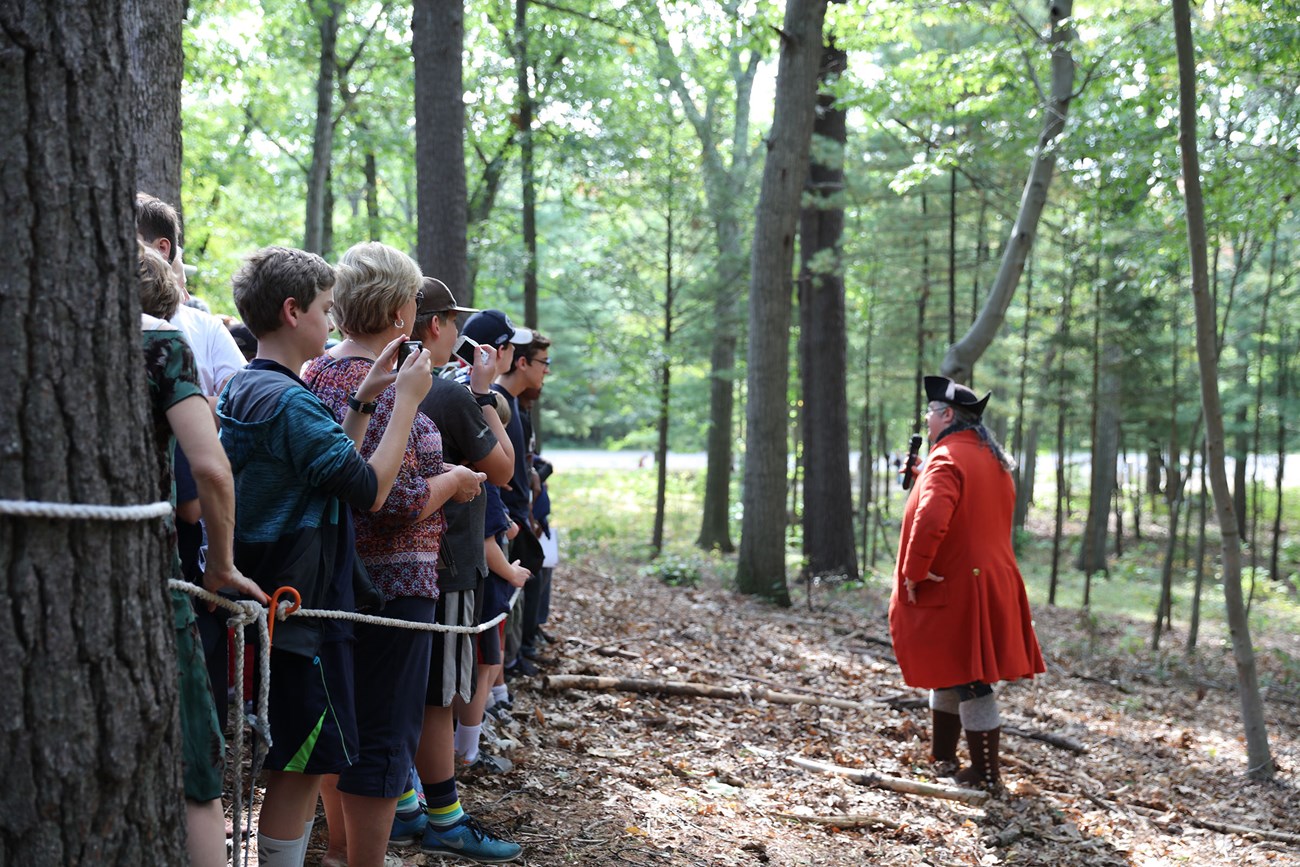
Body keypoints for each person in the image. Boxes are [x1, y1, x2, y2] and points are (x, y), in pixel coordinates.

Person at [217, 246, 433, 867]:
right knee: (298, 764)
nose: (332, 318)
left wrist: (366, 398)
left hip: (286, 601)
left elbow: (333, 467)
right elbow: (369, 489)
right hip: (300, 608)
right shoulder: (286, 401)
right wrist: (409, 402)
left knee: (302, 759)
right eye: (323, 308)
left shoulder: (254, 386)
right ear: (292, 312)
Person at [301, 249, 487, 867]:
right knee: (384, 732)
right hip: (393, 586)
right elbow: (395, 499)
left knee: (338, 720)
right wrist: (456, 480)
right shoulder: (395, 384)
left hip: (328, 580)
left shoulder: (314, 372)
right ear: (401, 308)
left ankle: (338, 850)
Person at [136, 242, 269, 867]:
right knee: (196, 762)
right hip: (152, 579)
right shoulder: (162, 348)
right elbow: (210, 471)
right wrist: (220, 563)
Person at [391, 277, 522, 861]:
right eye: (451, 323)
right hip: (444, 566)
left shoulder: (387, 381)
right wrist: (488, 397)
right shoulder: (447, 395)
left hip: (403, 565)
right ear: (434, 326)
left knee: (407, 690)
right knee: (438, 695)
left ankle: (403, 803)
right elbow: (503, 469)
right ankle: (443, 814)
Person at [889, 375, 1045, 789]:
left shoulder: (947, 459)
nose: (926, 417)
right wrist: (923, 472)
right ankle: (943, 757)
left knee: (970, 680)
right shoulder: (987, 456)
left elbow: (933, 517)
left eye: (930, 411)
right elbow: (964, 497)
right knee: (950, 669)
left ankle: (985, 774)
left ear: (947, 415)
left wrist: (914, 570)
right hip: (989, 579)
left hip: (958, 584)